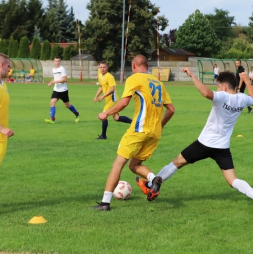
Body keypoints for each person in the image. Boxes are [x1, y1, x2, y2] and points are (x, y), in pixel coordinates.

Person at [136, 68, 253, 202]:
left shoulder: (223, 96)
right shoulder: (242, 99)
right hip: (222, 148)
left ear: (225, 87)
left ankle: (151, 184)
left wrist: (192, 75)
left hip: (204, 144)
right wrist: (248, 82)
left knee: (176, 163)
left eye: (218, 86)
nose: (218, 89)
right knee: (233, 180)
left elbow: (206, 93)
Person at [92, 54, 175, 210]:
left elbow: (124, 102)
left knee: (118, 163)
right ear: (147, 66)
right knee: (134, 164)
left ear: (134, 66)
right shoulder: (158, 83)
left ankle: (105, 203)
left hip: (139, 129)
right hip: (154, 134)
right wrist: (160, 125)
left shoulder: (134, 78)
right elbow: (171, 109)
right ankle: (153, 179)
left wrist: (106, 113)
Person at [93, 61, 132, 140]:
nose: (102, 69)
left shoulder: (109, 76)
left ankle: (103, 136)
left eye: (104, 67)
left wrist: (102, 96)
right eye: (101, 67)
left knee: (103, 116)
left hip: (112, 100)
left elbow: (112, 89)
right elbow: (101, 86)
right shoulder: (100, 74)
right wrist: (96, 96)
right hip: (108, 100)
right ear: (99, 68)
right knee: (116, 118)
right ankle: (135, 123)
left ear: (107, 68)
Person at [0, 53, 14, 191]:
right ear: (1, 65)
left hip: (0, 138)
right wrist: (1, 128)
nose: (9, 69)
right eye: (8, 66)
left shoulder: (4, 85)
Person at [45, 56, 80, 124]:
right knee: (52, 102)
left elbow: (64, 79)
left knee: (67, 105)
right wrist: (51, 82)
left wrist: (55, 82)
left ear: (60, 62)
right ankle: (52, 119)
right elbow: (55, 79)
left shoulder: (62, 69)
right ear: (54, 62)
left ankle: (77, 114)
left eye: (58, 61)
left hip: (63, 90)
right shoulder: (53, 70)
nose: (57, 62)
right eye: (56, 61)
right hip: (56, 90)